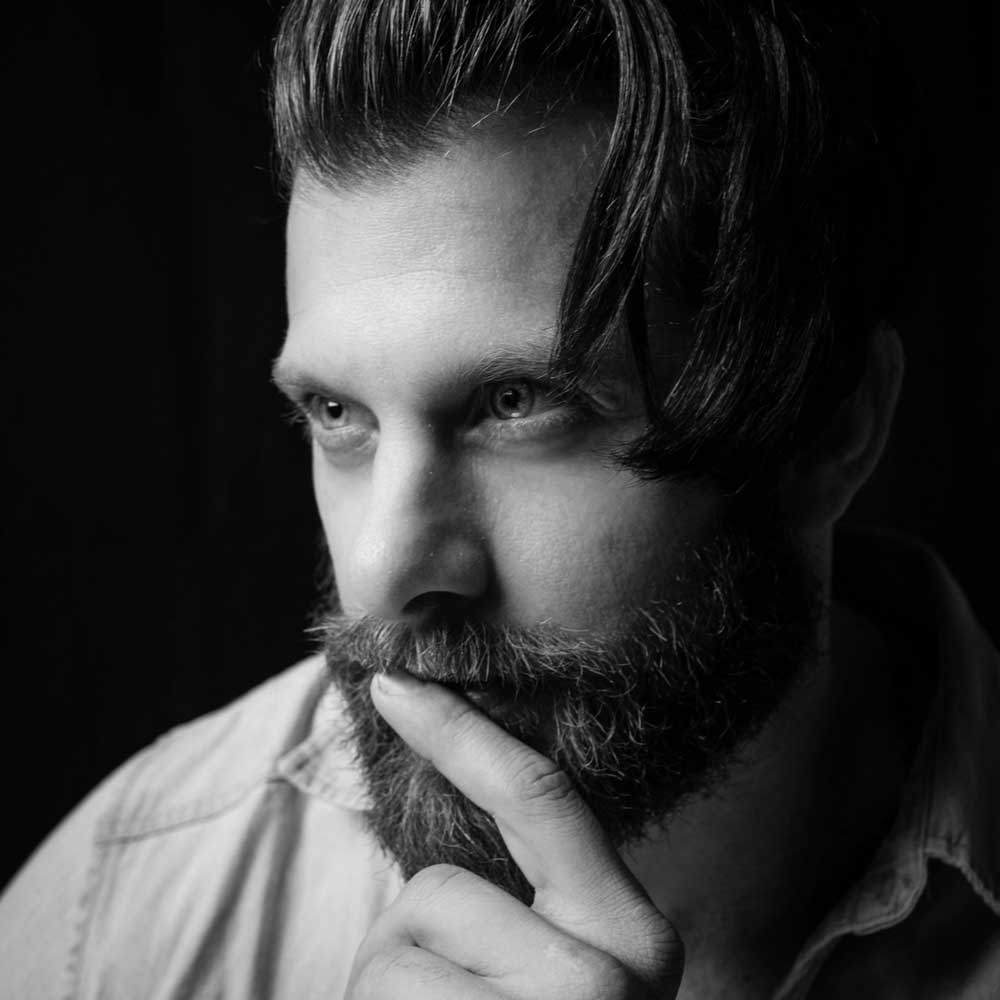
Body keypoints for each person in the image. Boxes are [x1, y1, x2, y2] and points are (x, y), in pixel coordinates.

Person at [1, 0, 997, 996]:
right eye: (338, 413)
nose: (380, 573)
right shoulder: (113, 918)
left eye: (516, 404)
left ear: (827, 428)